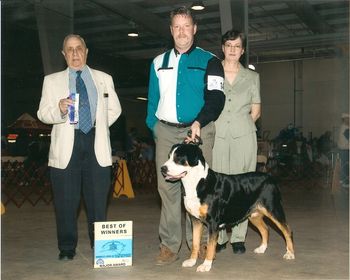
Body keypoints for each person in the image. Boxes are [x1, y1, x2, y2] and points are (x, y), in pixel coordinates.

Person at [146, 6, 225, 265]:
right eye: (176, 27)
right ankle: (169, 245)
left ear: (194, 28)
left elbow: (216, 98)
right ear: (171, 31)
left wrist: (199, 123)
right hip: (166, 131)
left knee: (200, 189)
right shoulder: (158, 62)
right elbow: (152, 101)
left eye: (186, 26)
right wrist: (154, 128)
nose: (182, 31)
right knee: (167, 189)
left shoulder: (210, 60)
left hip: (198, 130)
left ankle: (200, 245)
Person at [37, 34, 122, 261]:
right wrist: (60, 109)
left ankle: (101, 247)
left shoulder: (104, 78)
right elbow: (42, 114)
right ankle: (66, 248)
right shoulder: (51, 81)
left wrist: (98, 125)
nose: (75, 54)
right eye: (70, 50)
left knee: (97, 201)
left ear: (86, 51)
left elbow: (115, 109)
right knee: (66, 200)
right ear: (63, 55)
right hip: (67, 143)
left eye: (79, 49)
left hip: (96, 143)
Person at [212, 29, 261, 255]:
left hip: (244, 137)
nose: (232, 50)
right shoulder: (213, 72)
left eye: (237, 46)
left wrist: (240, 127)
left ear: (242, 50)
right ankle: (220, 236)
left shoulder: (252, 77)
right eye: (228, 45)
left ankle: (239, 238)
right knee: (218, 186)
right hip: (217, 135)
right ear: (223, 48)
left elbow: (256, 111)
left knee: (243, 186)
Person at [337, 113, 349, 188]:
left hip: (343, 149)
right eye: (348, 119)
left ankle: (342, 181)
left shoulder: (343, 127)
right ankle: (346, 182)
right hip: (345, 150)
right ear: (345, 119)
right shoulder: (345, 128)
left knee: (344, 165)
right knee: (346, 166)